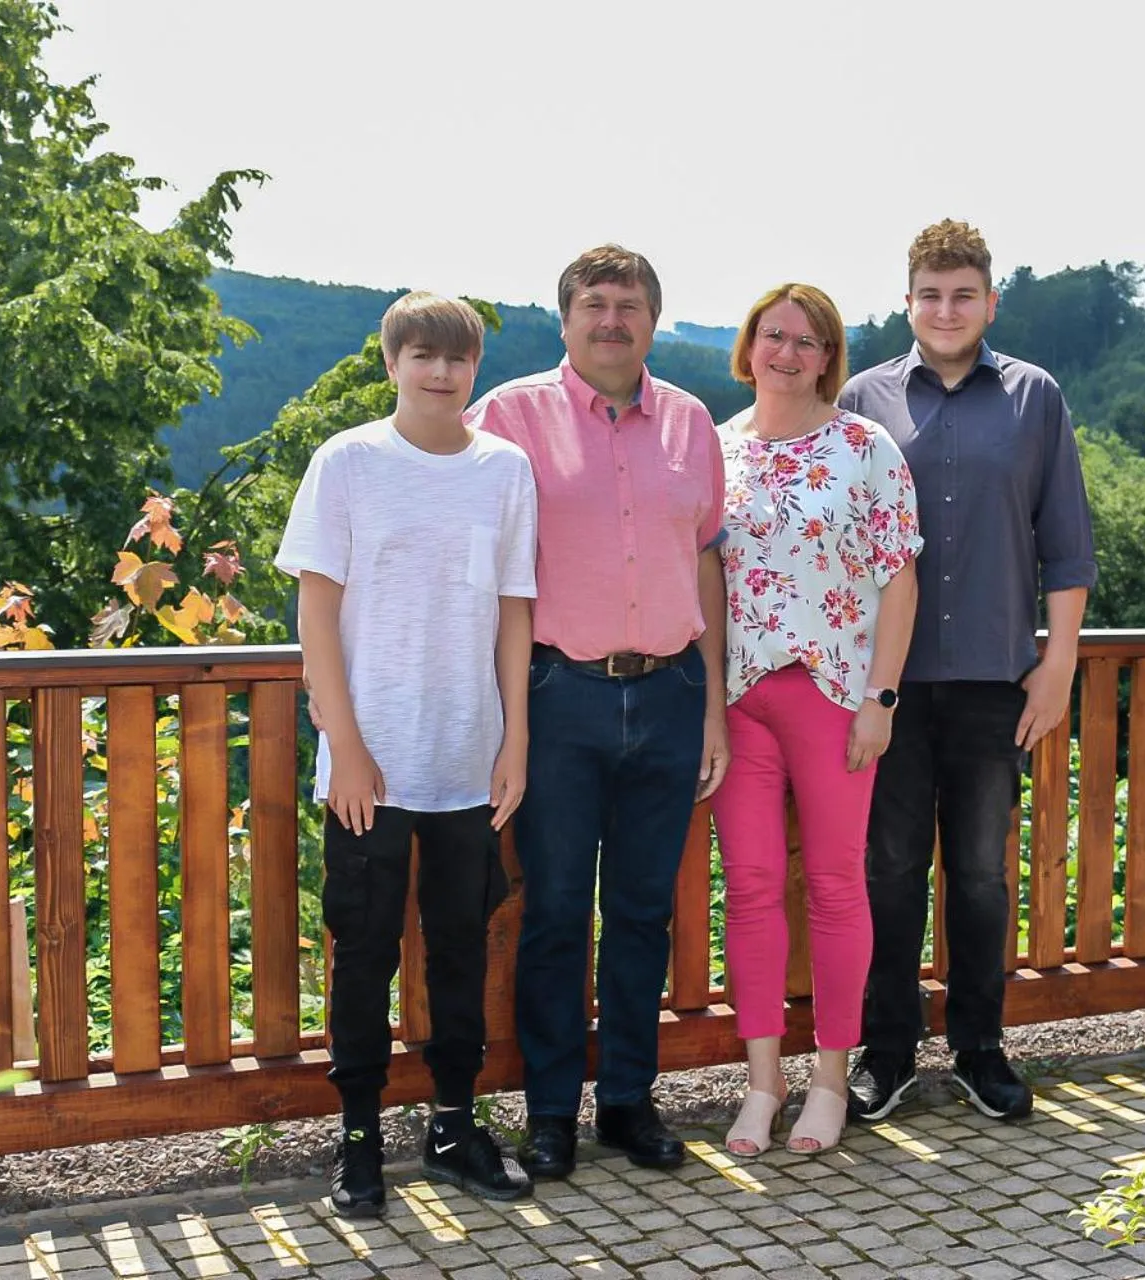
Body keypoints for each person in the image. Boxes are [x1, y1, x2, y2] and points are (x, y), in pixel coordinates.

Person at [468, 245, 729, 1179]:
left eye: (628, 305)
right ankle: (548, 1114)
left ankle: (626, 1102)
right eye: (594, 304)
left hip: (670, 692)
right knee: (554, 916)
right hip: (558, 695)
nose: (611, 320)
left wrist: (714, 709)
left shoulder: (692, 423)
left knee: (643, 913)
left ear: (653, 320)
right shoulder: (508, 415)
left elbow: (706, 562)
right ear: (565, 317)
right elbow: (477, 553)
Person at [277, 291, 538, 1218]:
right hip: (368, 767)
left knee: (464, 947)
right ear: (391, 364)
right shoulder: (348, 463)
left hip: (467, 759)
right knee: (364, 951)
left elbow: (515, 611)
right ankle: (357, 1141)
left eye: (455, 358)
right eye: (421, 355)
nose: (439, 372)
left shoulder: (505, 471)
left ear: (474, 371)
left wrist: (515, 740)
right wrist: (342, 744)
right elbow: (314, 611)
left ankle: (456, 1126)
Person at [837, 220, 1097, 1124]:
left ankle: (982, 1049)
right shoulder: (861, 399)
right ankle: (887, 1054)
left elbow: (1065, 544)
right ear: (908, 302)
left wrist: (1057, 663)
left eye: (963, 294)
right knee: (890, 870)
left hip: (995, 678)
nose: (946, 311)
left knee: (982, 875)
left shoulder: (1035, 397)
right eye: (930, 295)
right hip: (887, 684)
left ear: (990, 301)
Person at [711, 283, 921, 1156]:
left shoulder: (864, 446)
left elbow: (899, 576)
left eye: (807, 340)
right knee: (752, 890)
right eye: (773, 336)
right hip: (737, 702)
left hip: (837, 697)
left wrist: (882, 698)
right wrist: (706, 712)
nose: (788, 354)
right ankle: (762, 1084)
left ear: (828, 355)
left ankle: (830, 1081)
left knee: (837, 889)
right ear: (749, 345)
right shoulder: (715, 449)